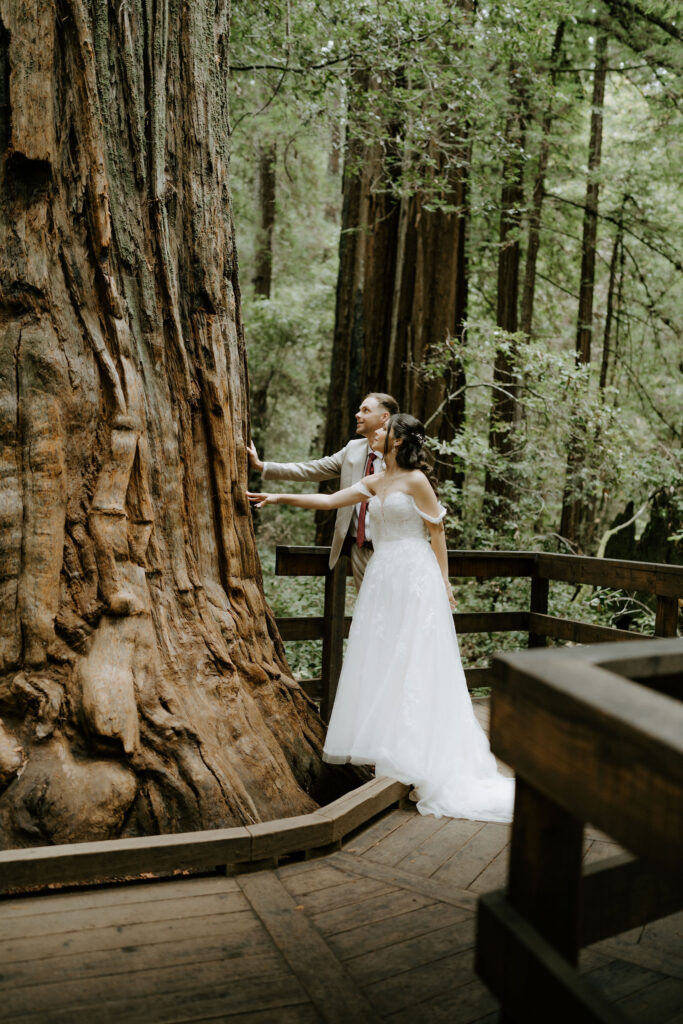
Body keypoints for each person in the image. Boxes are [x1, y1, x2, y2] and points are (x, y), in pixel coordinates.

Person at [248, 414, 514, 823]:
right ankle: (390, 748)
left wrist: (443, 583)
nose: (375, 434)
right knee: (383, 656)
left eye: (382, 431)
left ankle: (419, 753)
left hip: (415, 573)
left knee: (416, 657)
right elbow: (329, 501)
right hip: (382, 575)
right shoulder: (374, 481)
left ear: (399, 439)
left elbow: (437, 532)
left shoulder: (416, 481)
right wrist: (278, 498)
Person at [248, 393, 399, 590]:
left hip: (392, 548)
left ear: (384, 417)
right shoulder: (353, 449)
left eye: (365, 410)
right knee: (370, 611)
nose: (357, 415)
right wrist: (262, 466)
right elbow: (313, 469)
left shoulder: (402, 457)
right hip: (359, 549)